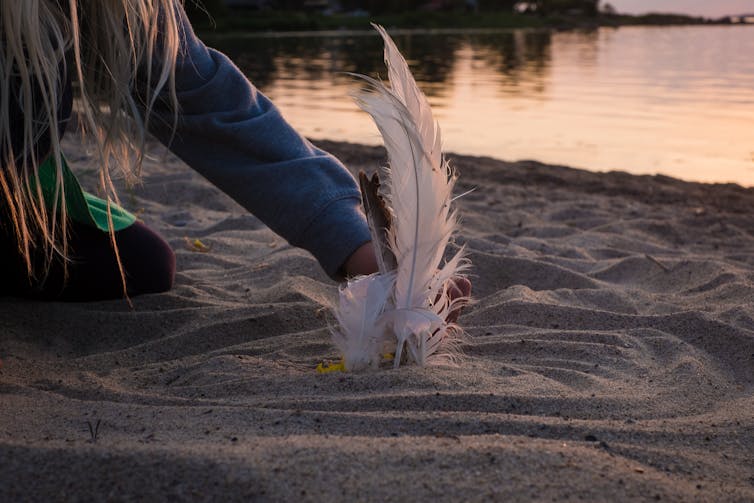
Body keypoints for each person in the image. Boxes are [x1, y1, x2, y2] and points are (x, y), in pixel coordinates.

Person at [0, 0, 380, 301]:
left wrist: (358, 246)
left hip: (16, 190)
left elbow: (204, 98)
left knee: (136, 264)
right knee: (22, 99)